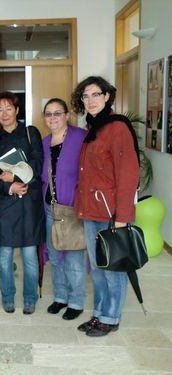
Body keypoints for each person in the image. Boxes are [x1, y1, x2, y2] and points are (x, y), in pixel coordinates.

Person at [72, 76, 139, 337]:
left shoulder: (117, 127)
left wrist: (123, 217)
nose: (90, 101)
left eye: (95, 95)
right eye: (85, 96)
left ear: (107, 96)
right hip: (91, 212)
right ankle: (99, 314)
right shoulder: (94, 128)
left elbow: (128, 175)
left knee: (113, 270)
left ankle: (111, 317)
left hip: (112, 215)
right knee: (98, 269)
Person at [0, 91, 45, 315]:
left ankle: (30, 298)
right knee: (4, 256)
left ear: (17, 110)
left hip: (28, 203)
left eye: (8, 108)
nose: (4, 113)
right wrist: (9, 186)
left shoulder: (30, 133)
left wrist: (16, 178)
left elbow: (38, 163)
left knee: (29, 256)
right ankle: (8, 297)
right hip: (4, 204)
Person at [40, 98, 87, 320]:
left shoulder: (80, 138)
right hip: (50, 209)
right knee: (56, 256)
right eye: (48, 114)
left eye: (57, 113)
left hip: (72, 210)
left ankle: (76, 301)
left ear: (67, 115)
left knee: (74, 258)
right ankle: (60, 297)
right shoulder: (44, 143)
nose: (53, 118)